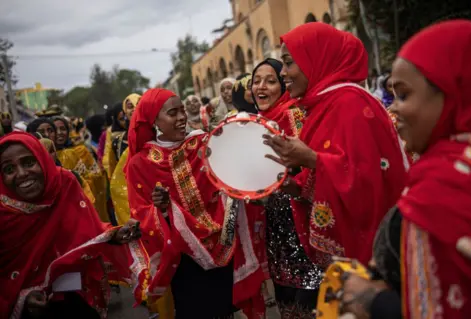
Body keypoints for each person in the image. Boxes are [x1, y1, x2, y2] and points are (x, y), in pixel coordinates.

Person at [340, 19, 471, 319]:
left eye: (403, 95)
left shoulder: (443, 187)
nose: (393, 108)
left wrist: (371, 303)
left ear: (450, 90)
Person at [263, 22, 408, 270]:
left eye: (288, 62)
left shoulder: (350, 103)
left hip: (375, 254)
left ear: (316, 59)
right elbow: (324, 178)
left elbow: (368, 178)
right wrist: (291, 186)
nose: (283, 73)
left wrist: (311, 159)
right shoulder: (323, 105)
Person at [125, 88, 265, 319]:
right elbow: (140, 215)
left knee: (226, 309)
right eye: (172, 113)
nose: (181, 118)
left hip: (223, 242)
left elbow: (227, 183)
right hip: (184, 259)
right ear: (154, 121)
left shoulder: (203, 144)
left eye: (182, 111)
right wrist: (161, 210)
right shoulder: (140, 164)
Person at [0, 132, 143, 319]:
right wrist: (22, 299)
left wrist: (115, 234)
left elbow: (90, 228)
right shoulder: (4, 213)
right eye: (9, 169)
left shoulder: (64, 184)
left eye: (28, 163)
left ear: (42, 160)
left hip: (75, 296)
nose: (21, 174)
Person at [251, 58, 320, 316]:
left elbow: (311, 166)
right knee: (286, 296)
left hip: (302, 218)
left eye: (270, 81)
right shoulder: (252, 125)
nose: (262, 87)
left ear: (282, 85)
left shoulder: (296, 114)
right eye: (256, 81)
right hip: (275, 224)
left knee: (311, 295)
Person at [52, 116, 109, 223]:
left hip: (87, 203)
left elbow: (96, 176)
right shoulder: (46, 158)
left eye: (63, 129)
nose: (59, 133)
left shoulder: (79, 150)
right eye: (55, 129)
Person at [109, 94, 141, 226]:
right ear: (124, 112)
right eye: (130, 106)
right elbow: (113, 172)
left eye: (138, 104)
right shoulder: (118, 142)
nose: (134, 109)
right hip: (127, 192)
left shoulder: (158, 134)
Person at [102, 103, 127, 179]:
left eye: (126, 117)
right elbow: (108, 157)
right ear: (116, 120)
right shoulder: (113, 134)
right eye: (122, 119)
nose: (125, 121)